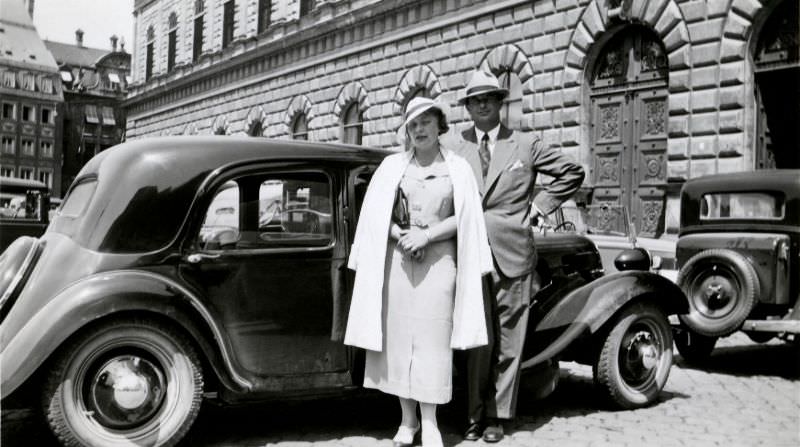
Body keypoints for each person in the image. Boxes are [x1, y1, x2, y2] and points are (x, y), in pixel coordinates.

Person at [344, 97, 494, 447]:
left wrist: (427, 234)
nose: (420, 129)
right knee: (398, 342)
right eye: (413, 124)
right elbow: (378, 214)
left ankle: (431, 423)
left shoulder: (458, 168)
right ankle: (407, 421)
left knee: (432, 342)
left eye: (426, 122)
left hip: (440, 263)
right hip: (399, 261)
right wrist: (402, 235)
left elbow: (466, 216)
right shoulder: (392, 167)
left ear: (439, 125)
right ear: (406, 132)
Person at [454, 70, 585, 443]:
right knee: (474, 339)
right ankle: (471, 414)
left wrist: (540, 207)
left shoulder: (525, 144)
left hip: (511, 255)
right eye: (474, 99)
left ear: (500, 103)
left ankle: (497, 416)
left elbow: (572, 172)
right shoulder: (454, 144)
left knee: (509, 340)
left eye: (489, 98)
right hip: (465, 254)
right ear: (467, 107)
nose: (482, 104)